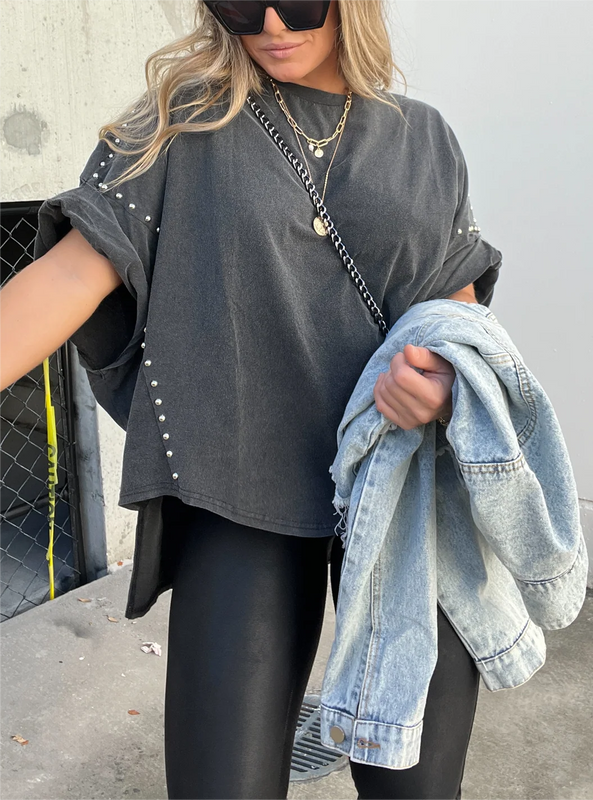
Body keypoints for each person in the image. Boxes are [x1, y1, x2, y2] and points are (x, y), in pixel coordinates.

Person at [0, 1, 503, 798]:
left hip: (408, 489)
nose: (270, 22)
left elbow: (458, 317)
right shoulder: (178, 125)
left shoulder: (424, 139)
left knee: (416, 787)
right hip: (244, 481)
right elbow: (66, 276)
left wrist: (443, 386)